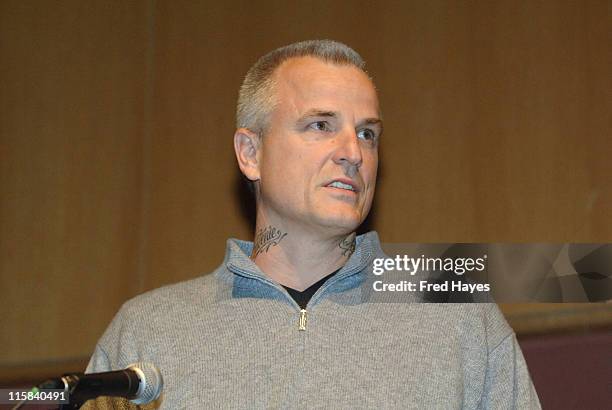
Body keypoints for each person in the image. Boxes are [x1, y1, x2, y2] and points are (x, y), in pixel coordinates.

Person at [84, 40, 541, 409]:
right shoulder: (149, 330)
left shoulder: (457, 313)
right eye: (321, 125)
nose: (353, 152)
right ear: (250, 153)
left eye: (367, 133)